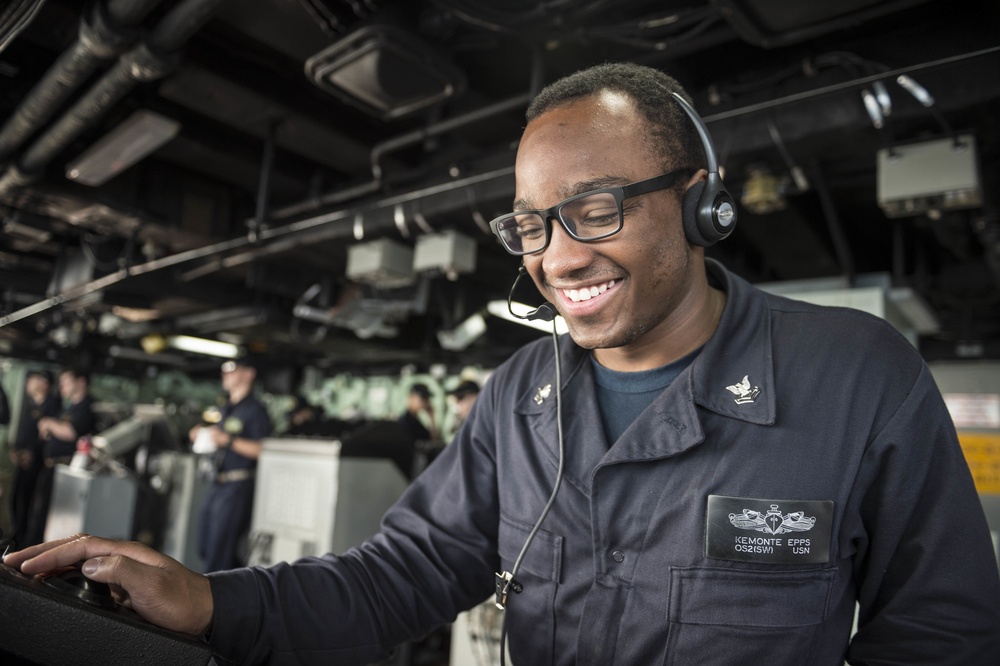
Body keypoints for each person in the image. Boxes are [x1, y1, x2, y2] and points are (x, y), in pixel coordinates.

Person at [6, 63, 1000, 665]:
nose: (558, 256)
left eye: (598, 209)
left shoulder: (857, 376)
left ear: (700, 203)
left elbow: (939, 641)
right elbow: (410, 571)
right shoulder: (523, 395)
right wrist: (220, 602)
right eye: (531, 222)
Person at [190, 357, 272, 572]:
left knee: (220, 553)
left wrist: (227, 440)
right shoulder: (226, 409)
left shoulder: (255, 411)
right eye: (224, 371)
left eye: (232, 370)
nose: (226, 375)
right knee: (204, 547)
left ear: (249, 373)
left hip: (237, 486)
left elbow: (263, 450)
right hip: (217, 483)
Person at [23, 368, 95, 546]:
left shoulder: (87, 407)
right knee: (38, 514)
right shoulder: (67, 407)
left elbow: (71, 432)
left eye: (67, 381)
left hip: (66, 470)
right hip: (51, 466)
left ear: (81, 382)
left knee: (53, 518)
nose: (63, 385)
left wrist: (49, 424)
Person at [7, 371, 59, 547]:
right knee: (17, 500)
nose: (28, 383)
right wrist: (17, 451)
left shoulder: (52, 405)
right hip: (24, 462)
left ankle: (25, 543)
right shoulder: (32, 406)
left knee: (31, 504)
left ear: (44, 383)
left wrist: (31, 453)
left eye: (33, 379)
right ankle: (17, 537)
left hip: (38, 464)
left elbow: (47, 438)